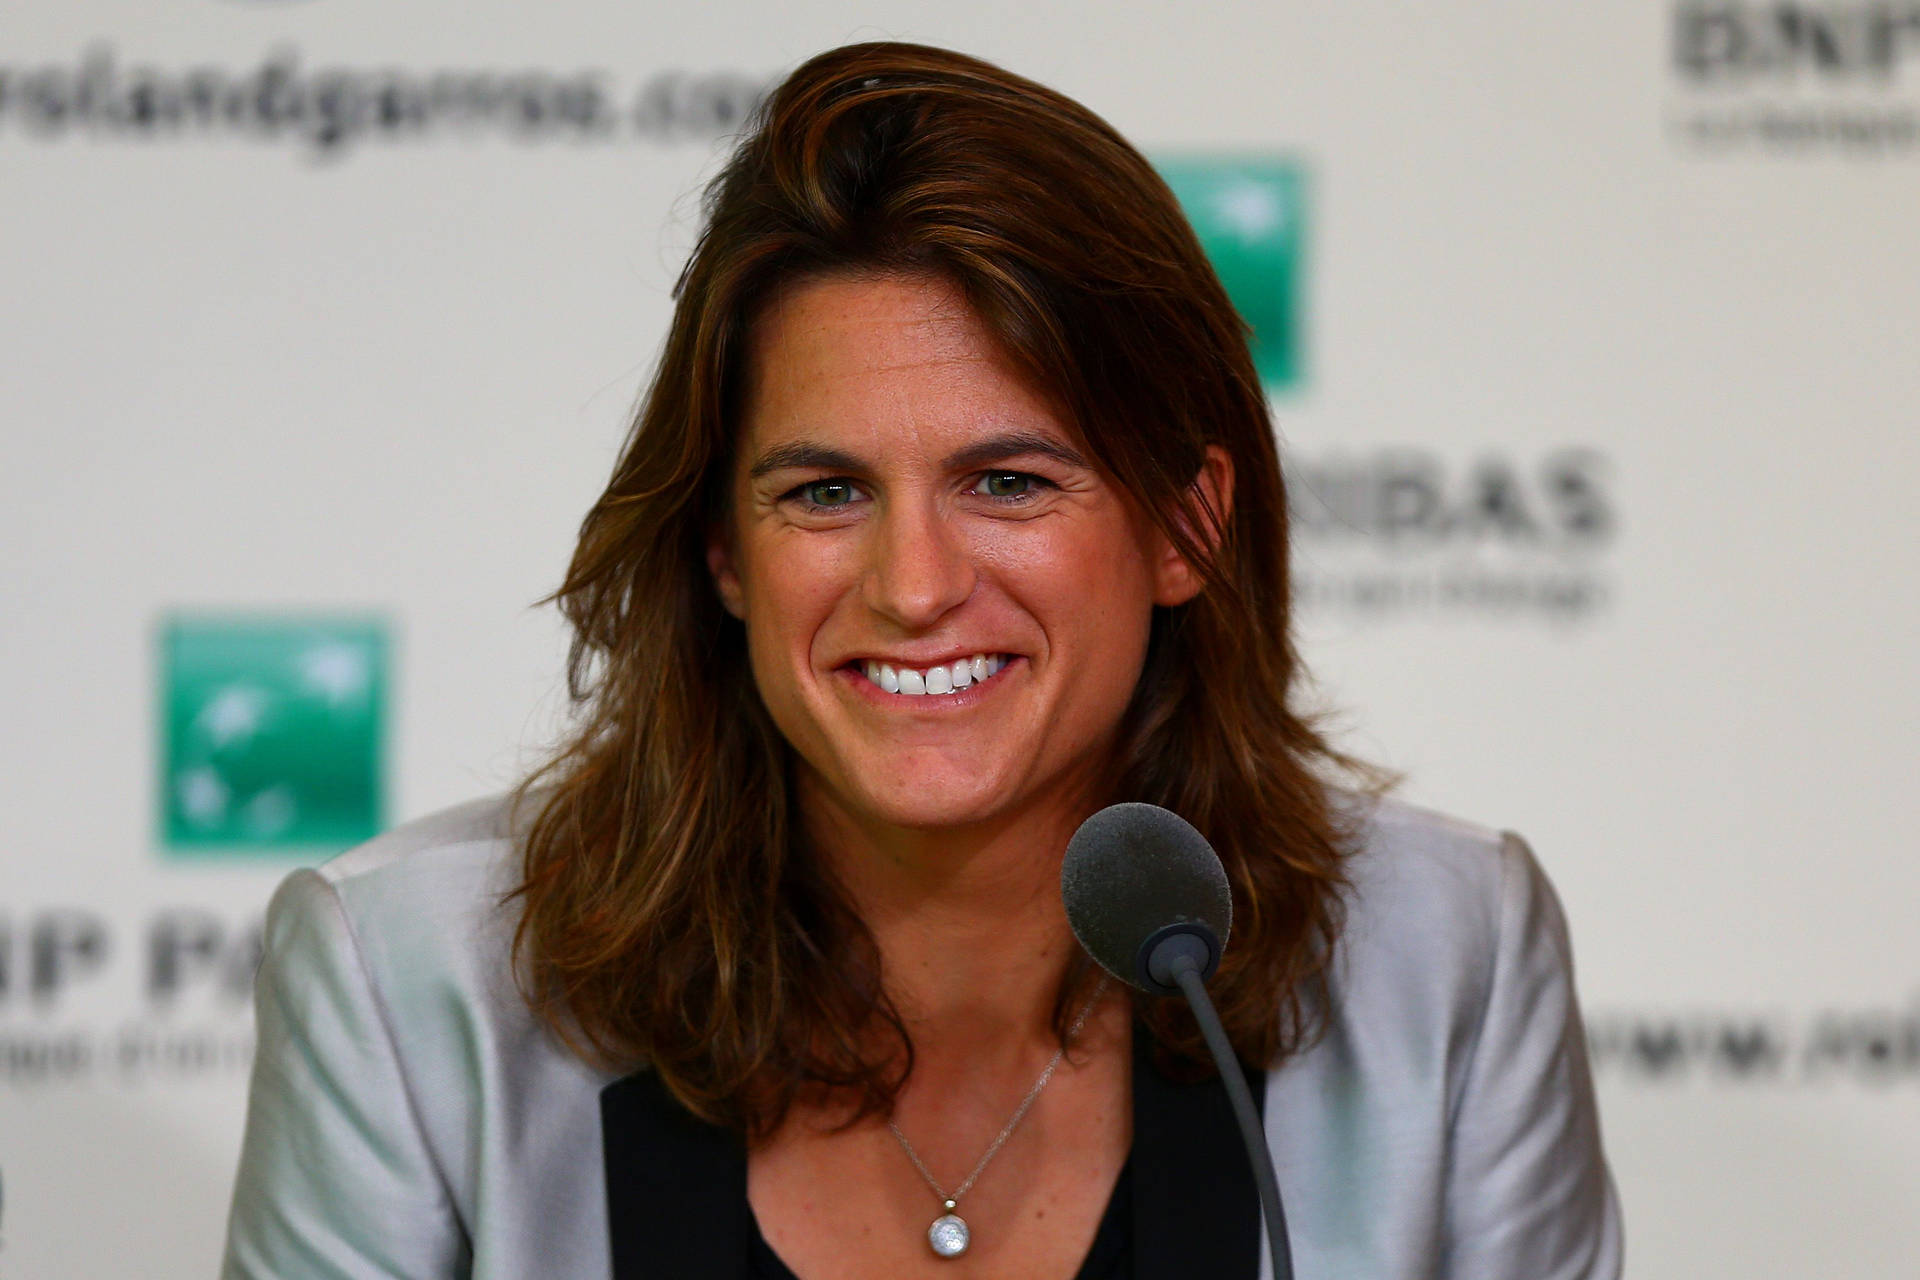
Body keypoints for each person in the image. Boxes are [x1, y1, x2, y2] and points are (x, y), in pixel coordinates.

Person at [221, 41, 1622, 1280]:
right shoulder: (410, 985)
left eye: (1008, 481)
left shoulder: (1450, 962)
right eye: (824, 492)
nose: (914, 586)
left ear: (1186, 526)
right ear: (722, 551)